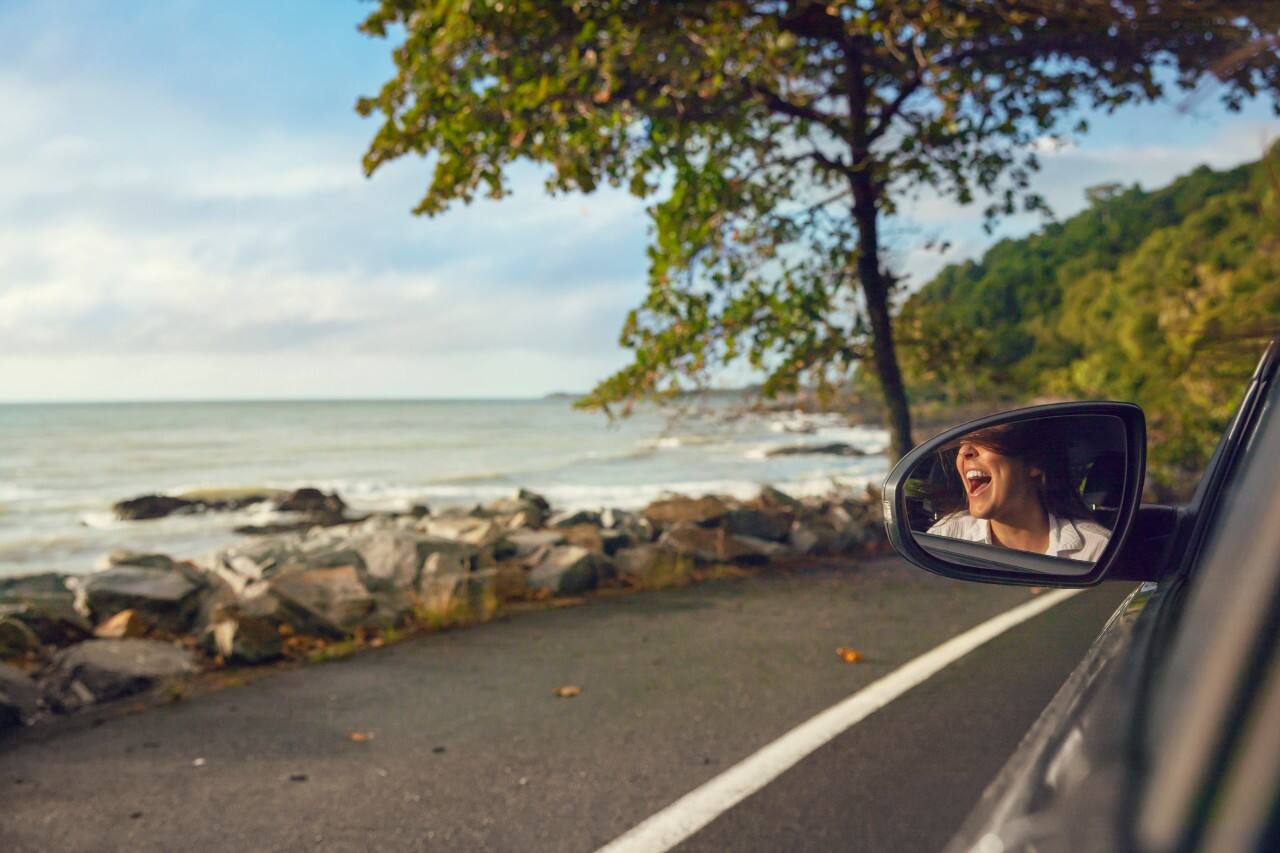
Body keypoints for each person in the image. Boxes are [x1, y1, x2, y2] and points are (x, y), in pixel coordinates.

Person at [926, 422, 1111, 562]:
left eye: (985, 438)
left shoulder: (1096, 548)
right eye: (962, 442)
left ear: (1034, 463)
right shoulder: (945, 537)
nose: (964, 452)